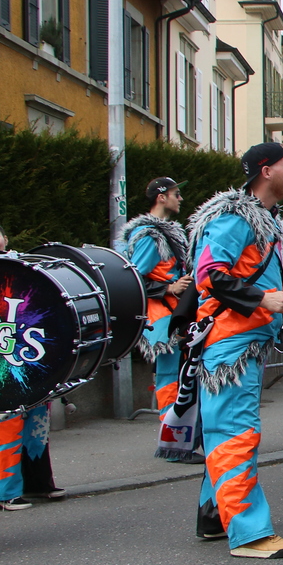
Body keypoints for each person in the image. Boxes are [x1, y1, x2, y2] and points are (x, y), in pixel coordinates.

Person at [187, 143, 283, 558]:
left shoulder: (261, 219)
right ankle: (249, 534)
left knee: (228, 431)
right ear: (265, 170)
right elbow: (209, 275)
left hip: (240, 342)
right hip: (231, 345)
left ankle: (214, 517)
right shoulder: (235, 217)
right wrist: (264, 299)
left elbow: (246, 277)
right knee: (235, 433)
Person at [0, 221, 65, 510]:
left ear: (5, 238)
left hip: (26, 353)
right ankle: (3, 493)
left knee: (37, 423)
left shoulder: (24, 266)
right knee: (2, 423)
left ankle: (37, 484)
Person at [121, 177, 195, 461]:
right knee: (170, 380)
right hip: (162, 317)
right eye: (176, 194)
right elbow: (133, 278)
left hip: (170, 315)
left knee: (175, 378)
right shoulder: (150, 236)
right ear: (161, 197)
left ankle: (177, 443)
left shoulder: (162, 233)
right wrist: (168, 288)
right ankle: (173, 446)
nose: (181, 199)